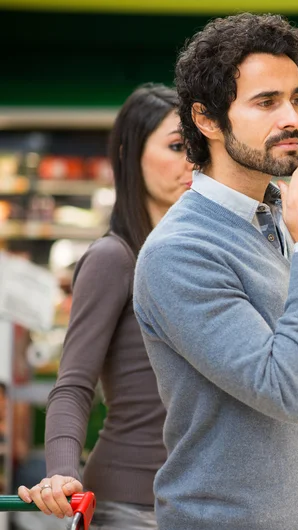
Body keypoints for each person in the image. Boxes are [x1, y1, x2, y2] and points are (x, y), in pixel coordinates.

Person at [133, 13, 298, 530]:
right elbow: (286, 390)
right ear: (208, 120)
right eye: (266, 102)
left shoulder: (276, 218)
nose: (292, 119)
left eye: (297, 99)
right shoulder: (181, 251)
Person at [17, 83, 193, 529]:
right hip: (131, 508)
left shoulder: (199, 260)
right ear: (128, 156)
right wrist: (60, 471)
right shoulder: (113, 258)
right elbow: (74, 384)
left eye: (199, 147)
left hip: (202, 504)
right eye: (176, 146)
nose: (192, 161)